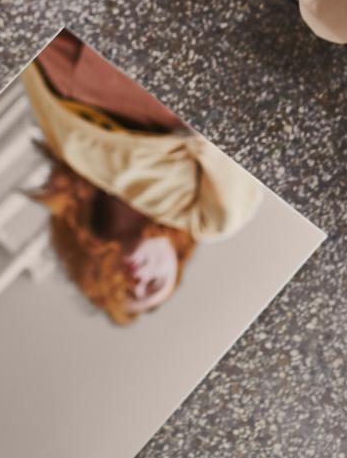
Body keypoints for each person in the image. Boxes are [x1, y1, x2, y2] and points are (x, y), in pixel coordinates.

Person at [21, 31, 261, 323]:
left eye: (127, 290)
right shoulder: (206, 220)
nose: (138, 281)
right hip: (143, 68)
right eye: (154, 284)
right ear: (176, 264)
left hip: (62, 70)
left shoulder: (77, 188)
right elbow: (235, 137)